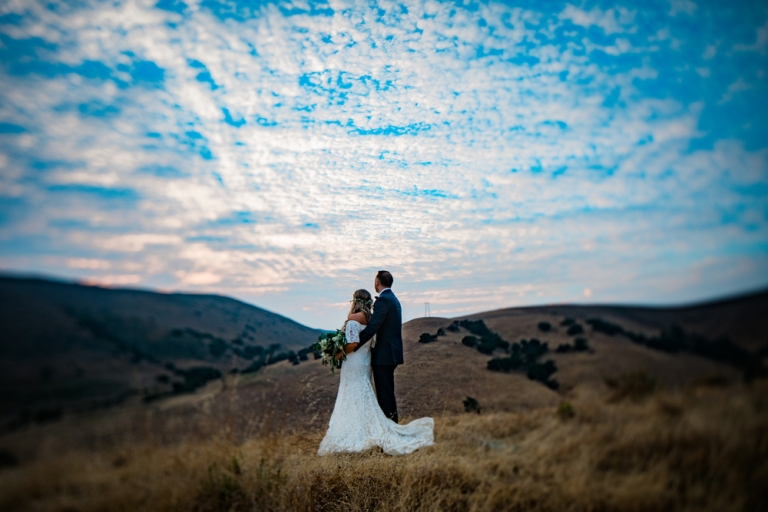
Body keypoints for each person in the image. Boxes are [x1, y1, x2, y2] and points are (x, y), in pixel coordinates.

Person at [317, 281, 433, 456]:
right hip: (366, 361)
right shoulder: (371, 319)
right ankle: (368, 427)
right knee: (362, 393)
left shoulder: (353, 319)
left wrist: (337, 355)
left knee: (352, 392)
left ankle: (357, 432)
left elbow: (353, 342)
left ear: (354, 301)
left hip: (354, 361)